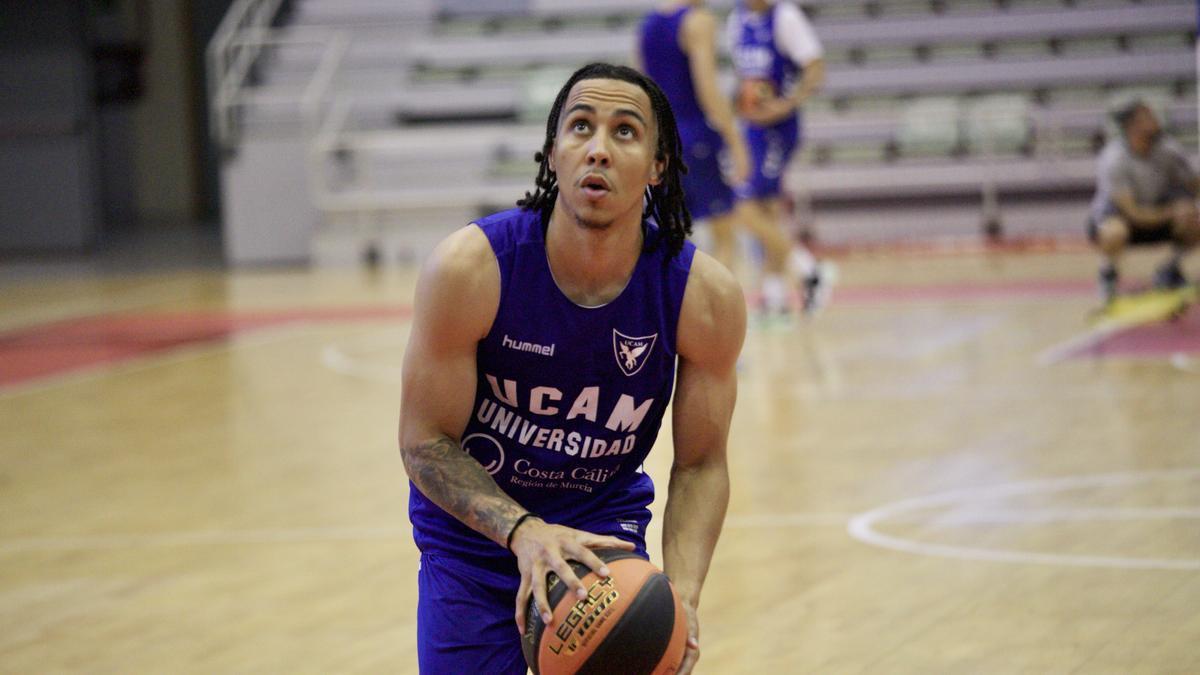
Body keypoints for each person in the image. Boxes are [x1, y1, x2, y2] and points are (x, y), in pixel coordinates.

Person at [397, 62, 745, 674]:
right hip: (474, 536)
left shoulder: (703, 297)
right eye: (580, 127)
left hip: (598, 532)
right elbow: (425, 443)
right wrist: (522, 530)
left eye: (626, 132)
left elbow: (701, 462)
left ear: (659, 167)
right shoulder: (470, 269)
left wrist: (683, 594)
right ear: (553, 154)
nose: (599, 150)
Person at [727, 0, 831, 314]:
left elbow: (816, 68)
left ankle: (808, 270)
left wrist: (787, 103)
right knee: (768, 211)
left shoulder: (785, 16)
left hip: (779, 129)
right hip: (753, 128)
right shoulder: (737, 19)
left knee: (741, 207)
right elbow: (744, 79)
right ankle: (775, 297)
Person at [637, 0, 750, 272]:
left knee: (666, 238)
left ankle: (665, 311)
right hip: (694, 136)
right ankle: (718, 313)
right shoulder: (698, 20)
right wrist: (736, 142)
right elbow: (708, 90)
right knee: (725, 235)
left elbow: (641, 87)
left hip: (660, 138)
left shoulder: (647, 25)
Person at [1089, 99, 1199, 303]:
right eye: (1148, 117)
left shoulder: (1169, 149)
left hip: (1157, 208)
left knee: (1194, 218)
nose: (1156, 120)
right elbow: (1133, 213)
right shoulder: (1114, 159)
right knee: (1114, 231)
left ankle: (1169, 270)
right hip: (1124, 216)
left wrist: (1188, 207)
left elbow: (1193, 184)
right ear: (1133, 126)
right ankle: (1108, 275)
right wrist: (1172, 212)